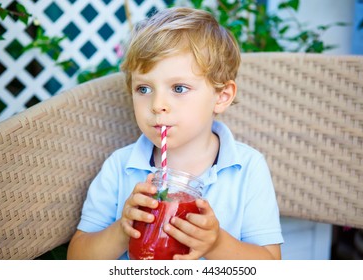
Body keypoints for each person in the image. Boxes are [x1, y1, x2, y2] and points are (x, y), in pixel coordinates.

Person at [67, 7, 283, 260]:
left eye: (179, 88)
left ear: (221, 97)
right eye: (144, 89)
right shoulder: (120, 167)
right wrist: (121, 231)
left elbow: (270, 263)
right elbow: (77, 259)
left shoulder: (246, 168)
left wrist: (216, 244)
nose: (158, 104)